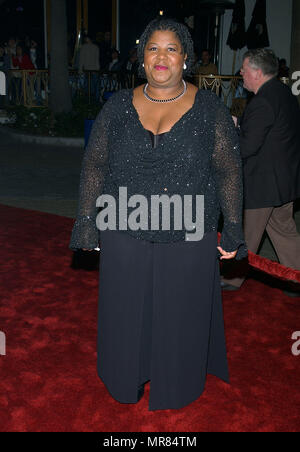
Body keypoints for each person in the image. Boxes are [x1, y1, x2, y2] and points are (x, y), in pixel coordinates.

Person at [69, 18, 247, 411]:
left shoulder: (209, 109)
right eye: (153, 48)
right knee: (126, 309)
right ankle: (125, 377)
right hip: (123, 227)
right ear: (142, 58)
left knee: (180, 314)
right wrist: (86, 221)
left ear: (185, 58)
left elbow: (228, 169)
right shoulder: (117, 106)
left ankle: (177, 384)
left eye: (171, 48)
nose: (161, 57)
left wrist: (232, 227)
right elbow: (95, 163)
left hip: (188, 231)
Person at [221, 49, 300, 296]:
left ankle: (231, 278)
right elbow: (271, 134)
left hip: (263, 183)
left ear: (257, 72)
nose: (241, 73)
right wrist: (242, 125)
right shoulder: (281, 92)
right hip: (283, 180)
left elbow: (246, 147)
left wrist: (232, 131)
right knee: (284, 231)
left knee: (244, 232)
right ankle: (296, 278)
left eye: (244, 69)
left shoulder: (263, 101)